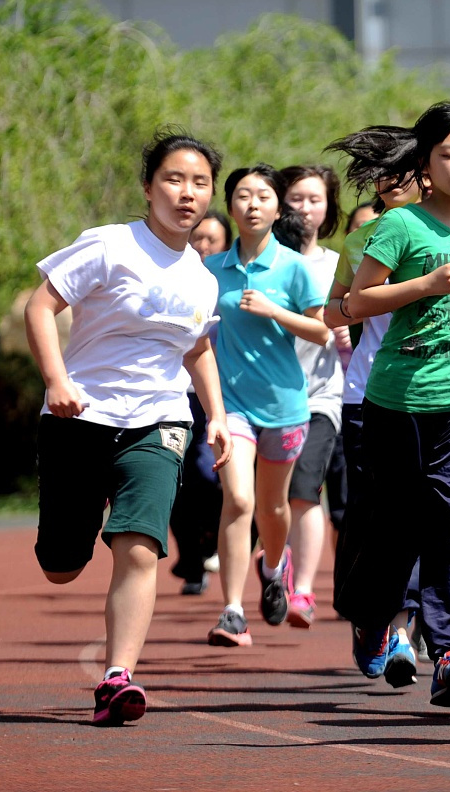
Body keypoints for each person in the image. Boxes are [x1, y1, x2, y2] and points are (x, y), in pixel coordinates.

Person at [23, 129, 232, 725]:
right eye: (173, 179)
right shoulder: (110, 246)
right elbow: (40, 307)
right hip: (79, 417)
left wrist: (215, 415)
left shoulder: (201, 275)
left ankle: (118, 678)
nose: (186, 194)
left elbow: (196, 350)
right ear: (147, 187)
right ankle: (72, 531)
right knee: (60, 565)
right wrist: (58, 380)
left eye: (199, 183)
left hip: (159, 420)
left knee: (139, 546)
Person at [327, 103, 450, 708]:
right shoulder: (399, 228)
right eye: (448, 154)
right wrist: (422, 285)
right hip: (396, 403)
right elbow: (357, 303)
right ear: (425, 163)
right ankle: (372, 617)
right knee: (395, 529)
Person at [205, 164, 330, 647]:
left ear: (278, 207)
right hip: (232, 405)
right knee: (238, 500)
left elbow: (320, 331)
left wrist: (276, 311)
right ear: (230, 205)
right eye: (241, 195)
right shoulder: (212, 269)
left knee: (274, 507)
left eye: (262, 196)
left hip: (284, 406)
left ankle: (274, 567)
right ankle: (232, 612)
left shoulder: (295, 267)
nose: (252, 204)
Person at [325, 172, 427, 687]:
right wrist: (364, 301)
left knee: (429, 514)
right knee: (373, 517)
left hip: (442, 398)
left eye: (403, 169)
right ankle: (372, 619)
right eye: (382, 172)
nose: (392, 180)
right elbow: (332, 311)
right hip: (370, 396)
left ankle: (404, 627)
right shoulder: (362, 240)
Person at [275, 163, 346, 628]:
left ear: (329, 207)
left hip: (321, 396)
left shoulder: (338, 264)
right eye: (296, 198)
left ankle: (303, 591)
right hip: (264, 396)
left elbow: (352, 320)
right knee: (265, 499)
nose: (304, 207)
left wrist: (345, 334)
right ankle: (272, 565)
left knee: (305, 490)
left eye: (314, 199)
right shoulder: (260, 262)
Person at [170, 210, 235, 595]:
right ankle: (192, 559)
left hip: (228, 396)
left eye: (212, 239)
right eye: (198, 238)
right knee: (181, 479)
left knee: (212, 476)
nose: (204, 245)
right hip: (180, 395)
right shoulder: (176, 277)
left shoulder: (228, 284)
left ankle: (211, 543)